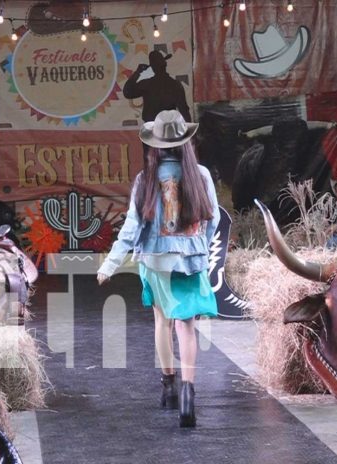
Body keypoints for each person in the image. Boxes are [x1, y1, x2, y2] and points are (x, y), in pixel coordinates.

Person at [96, 110, 219, 428]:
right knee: (187, 327)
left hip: (154, 261)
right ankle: (188, 393)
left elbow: (131, 228)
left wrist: (110, 264)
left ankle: (169, 386)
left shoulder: (145, 179)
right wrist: (198, 246)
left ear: (156, 146)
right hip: (189, 260)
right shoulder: (201, 175)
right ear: (185, 142)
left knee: (162, 322)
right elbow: (214, 218)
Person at [123, 50, 191, 123]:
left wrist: (137, 73)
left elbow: (127, 93)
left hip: (151, 128)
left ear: (152, 68)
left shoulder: (147, 84)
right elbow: (184, 110)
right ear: (165, 64)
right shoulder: (175, 85)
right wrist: (189, 131)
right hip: (168, 128)